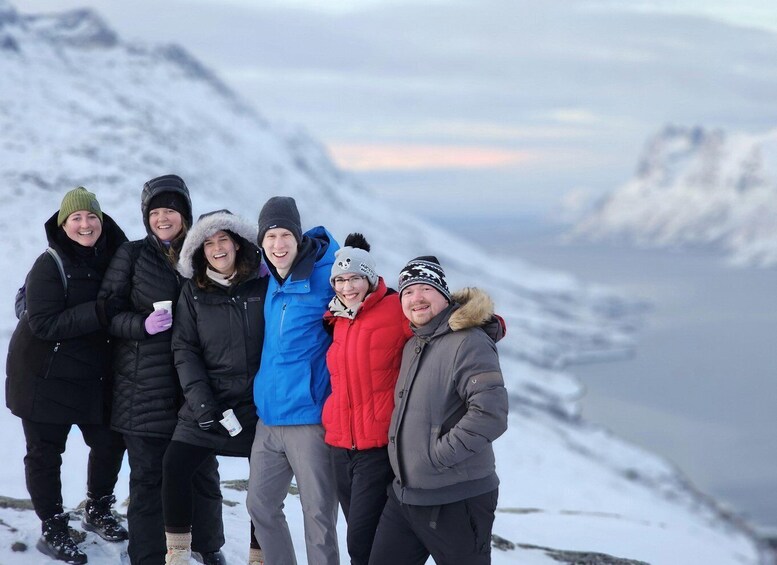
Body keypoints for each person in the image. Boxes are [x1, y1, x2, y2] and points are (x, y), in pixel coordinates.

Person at [98, 175, 225, 565]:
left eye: (170, 210)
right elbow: (107, 311)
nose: (162, 218)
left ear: (184, 214)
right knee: (149, 479)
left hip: (194, 388)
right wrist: (141, 325)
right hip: (142, 389)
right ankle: (149, 557)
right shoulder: (132, 256)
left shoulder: (203, 255)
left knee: (203, 472)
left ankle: (208, 547)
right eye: (155, 212)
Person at [6, 187, 128, 564]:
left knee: (111, 441)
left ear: (102, 220)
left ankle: (98, 507)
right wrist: (99, 312)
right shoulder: (50, 263)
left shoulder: (115, 257)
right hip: (43, 376)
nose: (85, 224)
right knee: (45, 454)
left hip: (92, 376)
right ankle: (53, 525)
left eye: (91, 216)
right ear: (63, 224)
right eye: (75, 218)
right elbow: (42, 323)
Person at [369, 256, 509, 565]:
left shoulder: (469, 341)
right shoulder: (414, 345)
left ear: (443, 295)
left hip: (457, 499)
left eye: (424, 288)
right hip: (405, 497)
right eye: (407, 291)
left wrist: (437, 457)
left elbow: (491, 413)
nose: (416, 298)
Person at [164, 210, 269, 565]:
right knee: (175, 466)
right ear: (199, 251)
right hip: (207, 402)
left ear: (237, 244)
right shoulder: (192, 292)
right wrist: (203, 405)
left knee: (263, 485)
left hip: (259, 405)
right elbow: (184, 349)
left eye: (223, 239)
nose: (217, 248)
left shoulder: (263, 283)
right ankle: (177, 553)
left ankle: (259, 556)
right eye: (208, 243)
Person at [246, 196, 340, 565]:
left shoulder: (327, 276)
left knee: (318, 515)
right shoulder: (270, 278)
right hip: (269, 418)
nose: (278, 244)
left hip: (310, 417)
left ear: (298, 238)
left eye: (286, 235)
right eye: (270, 237)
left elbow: (369, 300)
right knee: (260, 505)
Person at [322, 233, 412, 565]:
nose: (347, 287)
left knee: (360, 542)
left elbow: (438, 322)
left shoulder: (395, 308)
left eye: (355, 278)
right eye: (340, 280)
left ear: (370, 279)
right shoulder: (336, 316)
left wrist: (482, 324)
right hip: (339, 446)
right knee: (365, 540)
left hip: (375, 448)